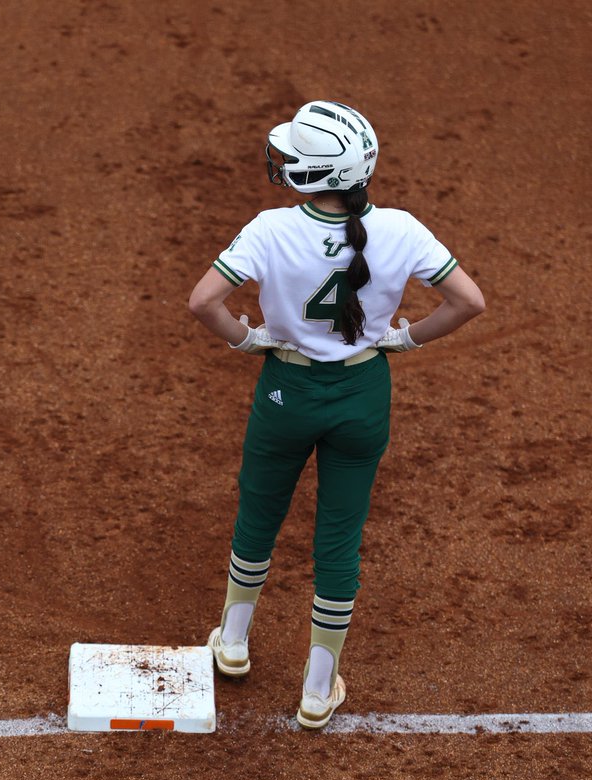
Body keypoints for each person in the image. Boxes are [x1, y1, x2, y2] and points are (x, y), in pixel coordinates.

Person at [188, 101, 485, 729]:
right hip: (362, 395)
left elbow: (204, 302)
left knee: (260, 512)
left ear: (316, 173)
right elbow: (467, 302)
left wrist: (248, 341)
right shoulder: (403, 230)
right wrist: (405, 339)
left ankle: (233, 642)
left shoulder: (270, 229)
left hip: (286, 391)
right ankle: (318, 690)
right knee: (339, 541)